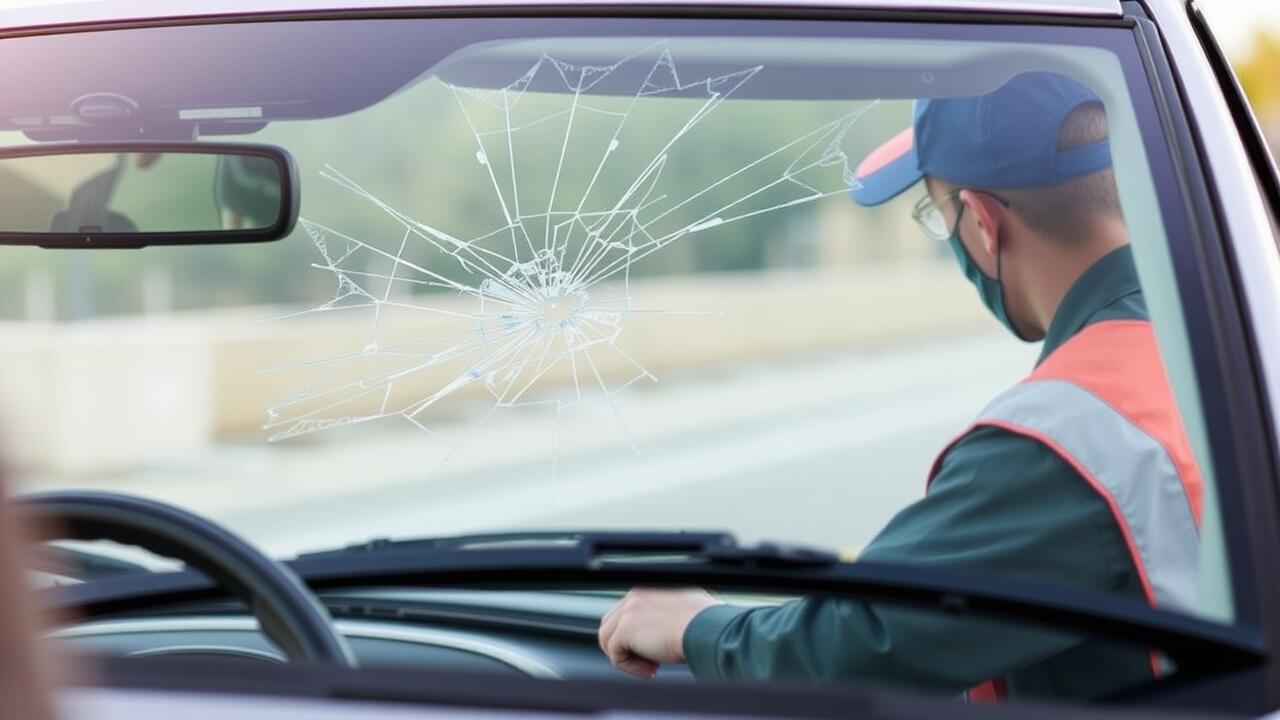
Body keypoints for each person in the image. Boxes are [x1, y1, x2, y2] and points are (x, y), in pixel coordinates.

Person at [596, 72, 1203, 700]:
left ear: (984, 222)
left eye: (937, 216)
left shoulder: (1070, 435)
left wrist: (698, 628)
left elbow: (856, 641)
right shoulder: (1216, 333)